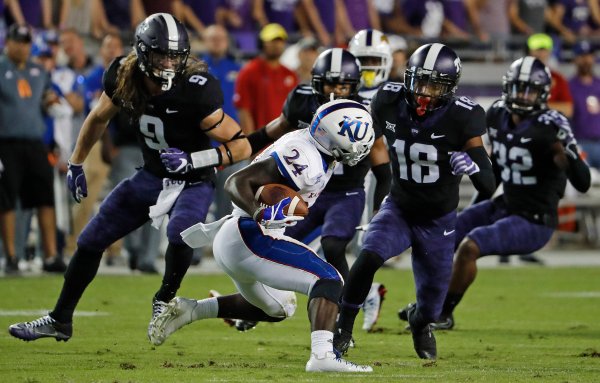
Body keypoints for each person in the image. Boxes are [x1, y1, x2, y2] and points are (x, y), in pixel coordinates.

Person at [8, 13, 251, 341]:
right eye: (160, 54)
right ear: (142, 51)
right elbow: (97, 118)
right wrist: (77, 161)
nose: (167, 63)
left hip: (193, 179)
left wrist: (195, 159)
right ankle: (60, 318)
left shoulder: (197, 87)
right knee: (91, 240)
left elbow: (241, 145)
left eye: (174, 56)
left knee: (183, 233)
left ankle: (163, 300)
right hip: (151, 176)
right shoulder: (123, 75)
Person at [148, 98, 376, 373]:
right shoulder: (305, 158)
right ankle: (323, 356)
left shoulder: (314, 146)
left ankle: (192, 310)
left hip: (237, 238)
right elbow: (236, 182)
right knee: (328, 279)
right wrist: (260, 213)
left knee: (280, 307)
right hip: (250, 236)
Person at [398, 56, 592, 331]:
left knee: (471, 246)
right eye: (517, 89)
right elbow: (497, 169)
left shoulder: (552, 124)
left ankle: (442, 313)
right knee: (441, 239)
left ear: (544, 93)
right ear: (506, 87)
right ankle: (427, 305)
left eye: (530, 91)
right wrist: (475, 210)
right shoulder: (497, 113)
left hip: (534, 218)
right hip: (504, 204)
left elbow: (582, 183)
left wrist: (568, 155)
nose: (522, 97)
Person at [333, 43, 497, 360]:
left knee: (432, 306)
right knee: (368, 256)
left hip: (438, 221)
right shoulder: (388, 99)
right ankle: (343, 328)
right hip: (400, 207)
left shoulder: (464, 116)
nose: (425, 92)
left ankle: (420, 324)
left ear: (449, 88)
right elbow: (364, 138)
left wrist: (473, 165)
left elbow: (488, 185)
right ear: (408, 77)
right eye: (420, 81)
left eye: (435, 85)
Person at [0, 24, 66, 274]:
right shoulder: (1, 68)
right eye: (19, 42)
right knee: (6, 202)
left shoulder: (39, 71)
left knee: (44, 198)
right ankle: (11, 256)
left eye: (27, 42)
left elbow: (46, 98)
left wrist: (51, 101)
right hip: (6, 143)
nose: (24, 47)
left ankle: (50, 255)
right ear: (9, 43)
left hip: (35, 142)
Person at [569, 40, 600, 170]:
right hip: (580, 142)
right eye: (581, 56)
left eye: (589, 55)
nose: (586, 60)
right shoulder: (569, 86)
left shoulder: (599, 84)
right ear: (575, 59)